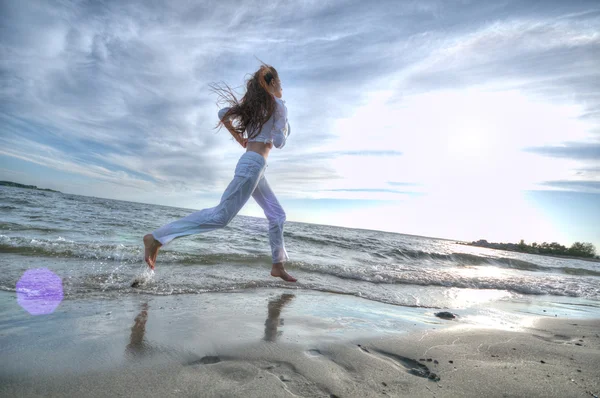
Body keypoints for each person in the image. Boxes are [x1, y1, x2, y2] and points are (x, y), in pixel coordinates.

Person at [143, 64, 296, 282]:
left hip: (255, 166)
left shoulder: (256, 107)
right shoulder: (278, 106)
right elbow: (279, 143)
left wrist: (239, 138)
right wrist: (284, 127)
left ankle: (278, 265)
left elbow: (223, 113)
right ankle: (156, 238)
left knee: (277, 214)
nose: (281, 87)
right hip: (253, 165)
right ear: (272, 83)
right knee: (220, 217)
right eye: (279, 82)